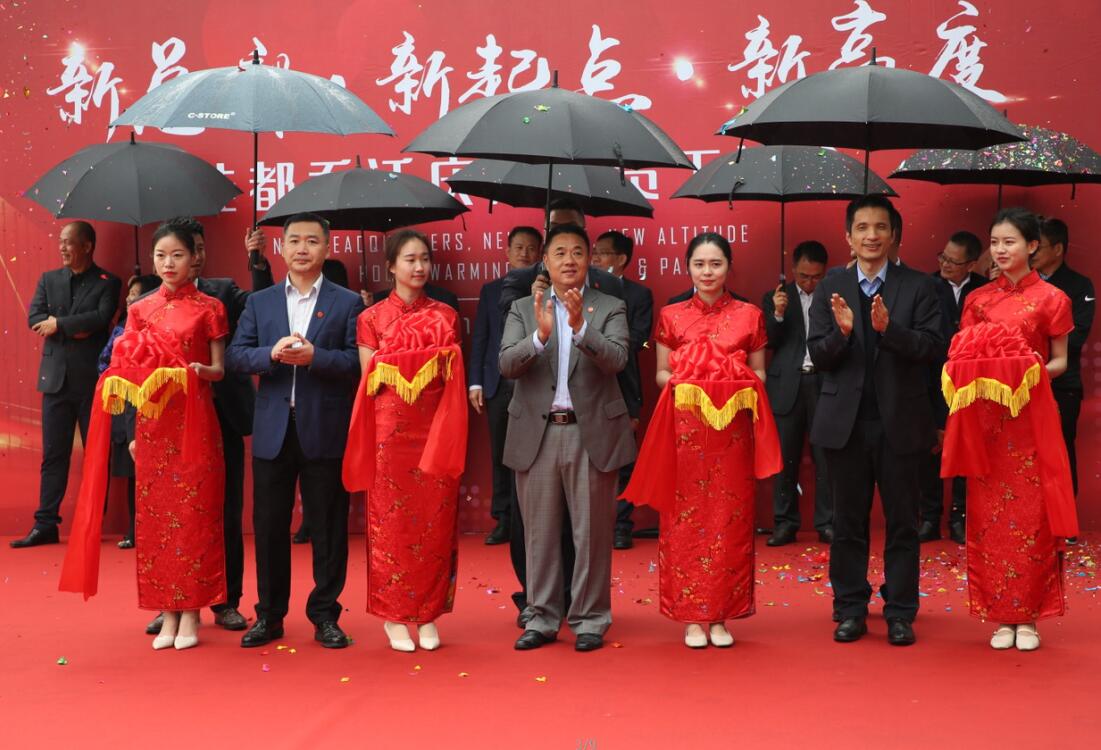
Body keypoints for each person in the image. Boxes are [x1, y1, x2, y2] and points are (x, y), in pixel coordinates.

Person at [60, 222, 228, 651]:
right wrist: (133, 432)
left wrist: (199, 371)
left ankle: (191, 611)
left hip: (195, 422)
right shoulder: (139, 309)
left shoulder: (210, 307)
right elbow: (130, 374)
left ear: (194, 258)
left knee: (193, 517)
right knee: (155, 520)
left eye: (177, 255)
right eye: (160, 256)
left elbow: (219, 370)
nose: (168, 263)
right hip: (153, 426)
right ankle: (166, 610)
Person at [624, 233, 781, 648]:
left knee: (730, 521)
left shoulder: (750, 315)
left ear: (728, 267)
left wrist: (731, 378)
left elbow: (761, 374)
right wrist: (691, 379)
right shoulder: (671, 315)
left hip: (732, 435)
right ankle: (691, 616)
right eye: (699, 264)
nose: (707, 272)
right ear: (688, 267)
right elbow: (661, 374)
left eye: (715, 264)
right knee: (685, 523)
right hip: (686, 434)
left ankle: (722, 615)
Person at [807, 195, 944, 647]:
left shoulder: (919, 286)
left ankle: (901, 611)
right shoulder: (830, 287)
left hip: (901, 422)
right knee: (847, 522)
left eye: (880, 227)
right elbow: (819, 356)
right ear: (848, 236)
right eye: (862, 228)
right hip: (845, 425)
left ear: (894, 235)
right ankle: (849, 608)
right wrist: (844, 333)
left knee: (903, 522)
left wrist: (891, 331)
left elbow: (933, 348)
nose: (871, 235)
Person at [226, 212, 364, 650]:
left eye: (312, 241)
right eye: (295, 241)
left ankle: (325, 615)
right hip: (272, 431)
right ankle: (269, 615)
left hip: (325, 428)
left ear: (327, 248)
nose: (303, 249)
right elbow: (236, 356)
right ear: (281, 248)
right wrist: (271, 353)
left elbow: (356, 363)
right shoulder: (260, 302)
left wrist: (315, 358)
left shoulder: (347, 303)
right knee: (269, 528)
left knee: (328, 528)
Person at [942, 207, 1076, 651]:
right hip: (988, 421)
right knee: (990, 517)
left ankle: (1030, 617)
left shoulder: (1053, 298)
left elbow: (1060, 360)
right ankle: (1000, 614)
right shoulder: (978, 301)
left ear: (1032, 246)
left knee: (1033, 516)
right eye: (995, 242)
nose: (1000, 250)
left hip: (1033, 416)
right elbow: (963, 358)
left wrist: (1030, 371)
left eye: (1010, 242)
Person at [500, 223, 635, 652]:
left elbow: (617, 359)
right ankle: (541, 617)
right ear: (545, 261)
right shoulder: (523, 308)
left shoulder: (610, 305)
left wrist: (580, 329)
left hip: (589, 432)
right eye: (559, 253)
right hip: (537, 434)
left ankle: (590, 619)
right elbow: (507, 364)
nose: (569, 260)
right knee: (539, 535)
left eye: (577, 252)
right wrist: (540, 337)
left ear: (589, 258)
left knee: (591, 534)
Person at [343, 230, 468, 652]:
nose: (419, 267)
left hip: (435, 429)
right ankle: (394, 615)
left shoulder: (446, 315)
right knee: (390, 525)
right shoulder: (371, 317)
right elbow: (369, 380)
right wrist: (409, 360)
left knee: (435, 522)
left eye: (425, 259)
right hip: (390, 434)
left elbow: (453, 378)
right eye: (410, 259)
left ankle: (427, 613)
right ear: (391, 267)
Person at [14, 221, 121, 548]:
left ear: (87, 246)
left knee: (96, 456)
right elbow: (35, 318)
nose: (62, 247)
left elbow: (101, 319)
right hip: (56, 381)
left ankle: (92, 523)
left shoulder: (108, 282)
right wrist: (75, 328)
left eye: (68, 242)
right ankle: (45, 524)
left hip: (93, 382)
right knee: (53, 455)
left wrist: (59, 324)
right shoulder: (49, 279)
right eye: (61, 242)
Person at [469, 226, 541, 547]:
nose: (524, 254)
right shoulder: (491, 290)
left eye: (531, 248)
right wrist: (476, 382)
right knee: (500, 454)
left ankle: (529, 520)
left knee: (532, 456)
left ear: (540, 254)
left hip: (534, 383)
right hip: (498, 383)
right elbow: (481, 337)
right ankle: (503, 518)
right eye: (519, 247)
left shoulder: (546, 287)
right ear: (507, 252)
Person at [919, 231, 987, 544]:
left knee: (966, 447)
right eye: (943, 257)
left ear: (971, 264)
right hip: (932, 376)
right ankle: (929, 518)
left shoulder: (985, 290)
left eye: (953, 261)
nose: (945, 264)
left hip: (972, 381)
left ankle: (960, 517)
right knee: (931, 448)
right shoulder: (927, 286)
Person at [763, 240, 832, 546]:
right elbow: (768, 341)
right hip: (786, 385)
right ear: (793, 270)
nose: (809, 282)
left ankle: (827, 523)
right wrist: (778, 314)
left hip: (823, 383)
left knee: (826, 459)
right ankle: (784, 523)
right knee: (785, 459)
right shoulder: (777, 297)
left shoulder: (833, 295)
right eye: (804, 276)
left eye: (816, 277)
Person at [1033, 217, 1094, 544]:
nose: (1032, 253)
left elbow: (1077, 335)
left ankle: (1065, 521)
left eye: (1038, 247)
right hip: (1024, 383)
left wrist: (1036, 337)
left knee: (1060, 450)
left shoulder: (1079, 285)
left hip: (1062, 384)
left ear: (1057, 249)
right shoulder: (1022, 282)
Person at [593, 230, 653, 550]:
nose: (595, 258)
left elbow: (639, 341)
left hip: (623, 385)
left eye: (602, 253)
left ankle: (622, 525)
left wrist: (602, 341)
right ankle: (593, 526)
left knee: (624, 460)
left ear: (621, 259)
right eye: (594, 251)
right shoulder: (581, 290)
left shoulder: (639, 295)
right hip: (587, 386)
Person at [97, 274, 162, 550]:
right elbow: (104, 363)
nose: (129, 299)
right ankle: (135, 530)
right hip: (127, 405)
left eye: (135, 293)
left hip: (157, 404)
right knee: (133, 473)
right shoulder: (122, 327)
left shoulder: (160, 324)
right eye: (129, 293)